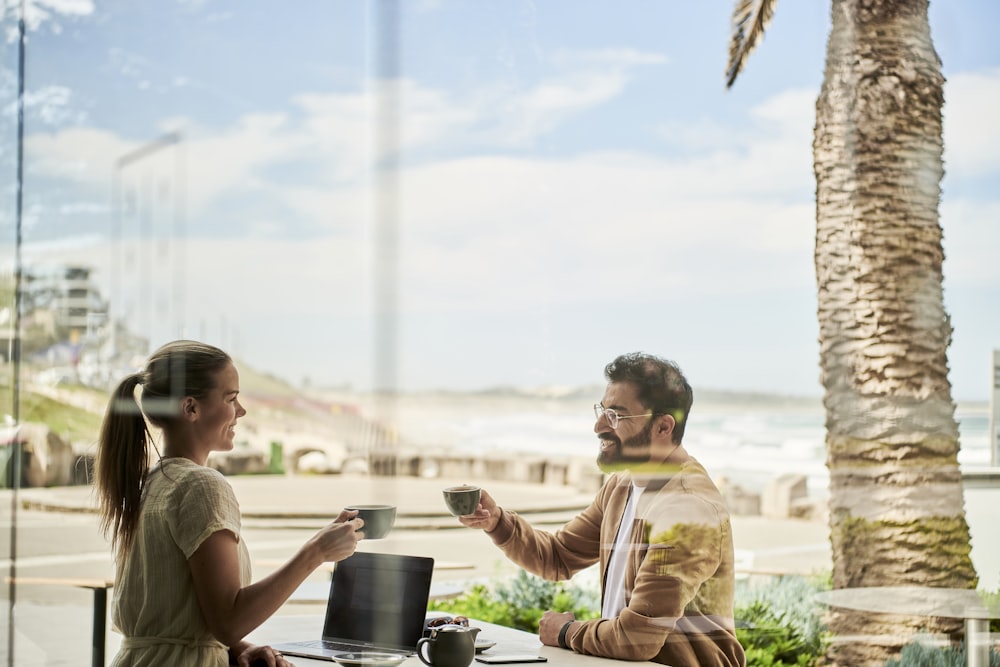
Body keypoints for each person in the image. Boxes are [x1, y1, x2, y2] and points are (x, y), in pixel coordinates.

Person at [458, 352, 746, 666]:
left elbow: (638, 638)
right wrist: (497, 522)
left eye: (616, 416)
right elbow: (558, 556)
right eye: (602, 411)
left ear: (663, 427)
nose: (599, 426)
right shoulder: (621, 487)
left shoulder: (687, 509)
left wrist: (566, 631)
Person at [95, 340, 364, 667]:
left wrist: (235, 649)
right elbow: (228, 620)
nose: (241, 411)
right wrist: (316, 552)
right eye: (231, 398)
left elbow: (181, 613)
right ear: (191, 408)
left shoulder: (152, 483)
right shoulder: (200, 485)